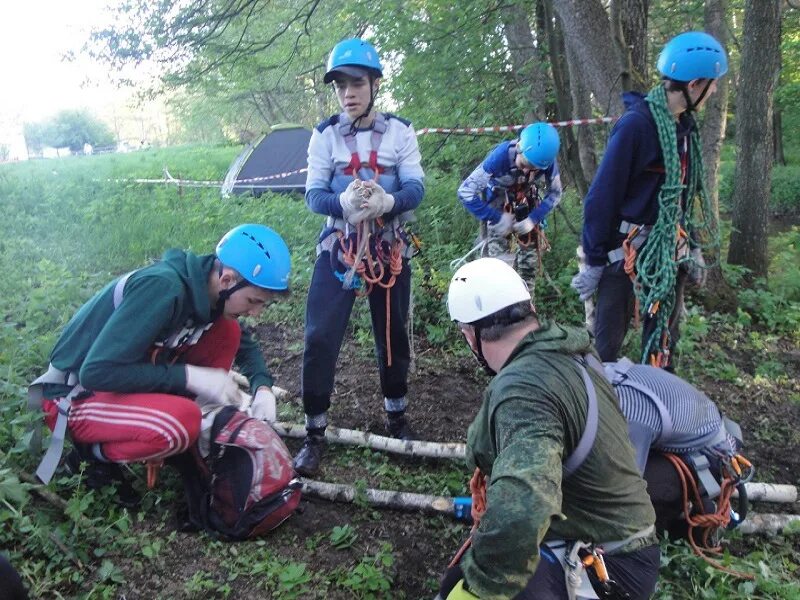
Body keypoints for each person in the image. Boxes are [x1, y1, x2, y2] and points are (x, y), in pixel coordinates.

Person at [439, 258, 659, 600]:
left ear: (470, 334)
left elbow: (524, 506)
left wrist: (478, 590)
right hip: (626, 544)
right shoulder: (571, 354)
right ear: (529, 309)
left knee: (459, 585)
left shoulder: (523, 389)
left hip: (609, 566)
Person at [28, 224, 291, 506]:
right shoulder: (164, 289)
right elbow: (97, 372)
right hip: (72, 395)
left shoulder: (207, 289)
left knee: (229, 332)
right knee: (180, 423)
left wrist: (262, 385)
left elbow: (244, 344)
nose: (255, 312)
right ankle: (90, 456)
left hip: (115, 382)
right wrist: (188, 377)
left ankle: (187, 428)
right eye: (253, 301)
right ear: (227, 280)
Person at [294, 38, 425, 477]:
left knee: (392, 337)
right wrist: (343, 206)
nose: (347, 93)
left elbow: (416, 189)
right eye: (340, 86)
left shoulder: (401, 132)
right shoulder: (324, 136)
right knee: (320, 337)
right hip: (339, 248)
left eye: (356, 84)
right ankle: (314, 432)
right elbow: (314, 195)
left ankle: (397, 416)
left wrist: (388, 202)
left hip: (388, 248)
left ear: (373, 85)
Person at [571, 31, 727, 368]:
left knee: (663, 341)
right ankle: (598, 406)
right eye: (712, 84)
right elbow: (601, 199)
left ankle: (658, 402)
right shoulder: (637, 127)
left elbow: (680, 199)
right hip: (624, 254)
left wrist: (694, 246)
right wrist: (595, 261)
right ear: (695, 84)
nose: (714, 91)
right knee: (607, 341)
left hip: (667, 253)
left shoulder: (684, 129)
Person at [456, 122, 562, 293]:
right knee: (498, 268)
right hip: (498, 205)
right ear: (519, 147)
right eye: (523, 165)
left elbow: (555, 193)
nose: (527, 171)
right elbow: (465, 192)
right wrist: (496, 218)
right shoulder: (500, 157)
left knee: (529, 267)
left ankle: (527, 309)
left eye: (533, 168)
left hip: (526, 205)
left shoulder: (546, 159)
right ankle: (498, 310)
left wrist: (533, 218)